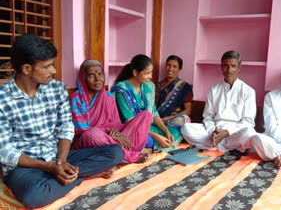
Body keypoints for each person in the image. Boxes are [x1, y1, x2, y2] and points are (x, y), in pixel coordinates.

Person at [0, 34, 124, 208]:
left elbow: (66, 126)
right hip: (24, 167)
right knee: (33, 197)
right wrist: (50, 167)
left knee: (116, 152)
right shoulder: (2, 98)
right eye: (47, 66)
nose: (54, 71)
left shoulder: (57, 88)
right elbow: (5, 151)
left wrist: (61, 162)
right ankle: (83, 175)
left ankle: (64, 175)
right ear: (27, 69)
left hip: (58, 156)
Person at [70, 59, 153, 163]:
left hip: (111, 138)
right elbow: (82, 130)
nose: (97, 79)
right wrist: (109, 133)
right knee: (91, 134)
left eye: (100, 74)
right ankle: (131, 155)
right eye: (91, 75)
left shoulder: (109, 96)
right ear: (84, 78)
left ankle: (121, 152)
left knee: (146, 115)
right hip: (90, 140)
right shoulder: (77, 98)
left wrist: (116, 134)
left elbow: (116, 123)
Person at [181, 50, 257, 152]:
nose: (229, 70)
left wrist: (227, 132)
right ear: (221, 67)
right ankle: (223, 145)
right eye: (226, 66)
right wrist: (213, 131)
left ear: (239, 68)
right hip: (215, 130)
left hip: (234, 133)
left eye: (233, 66)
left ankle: (214, 145)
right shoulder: (214, 90)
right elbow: (208, 117)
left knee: (249, 133)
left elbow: (248, 122)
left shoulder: (248, 91)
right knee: (186, 128)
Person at [111, 54, 183, 152]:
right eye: (147, 73)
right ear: (135, 72)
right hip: (131, 130)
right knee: (141, 140)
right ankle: (147, 149)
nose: (150, 76)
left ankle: (148, 147)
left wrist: (165, 131)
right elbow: (131, 123)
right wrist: (157, 137)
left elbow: (154, 113)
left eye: (151, 72)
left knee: (174, 133)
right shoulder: (122, 91)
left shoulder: (148, 86)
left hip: (148, 128)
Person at [155, 55, 193, 126]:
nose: (170, 69)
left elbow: (188, 111)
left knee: (184, 119)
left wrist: (168, 118)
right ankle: (158, 122)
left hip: (172, 119)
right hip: (157, 117)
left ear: (180, 69)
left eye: (174, 66)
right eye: (168, 65)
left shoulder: (184, 87)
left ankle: (161, 123)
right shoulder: (158, 86)